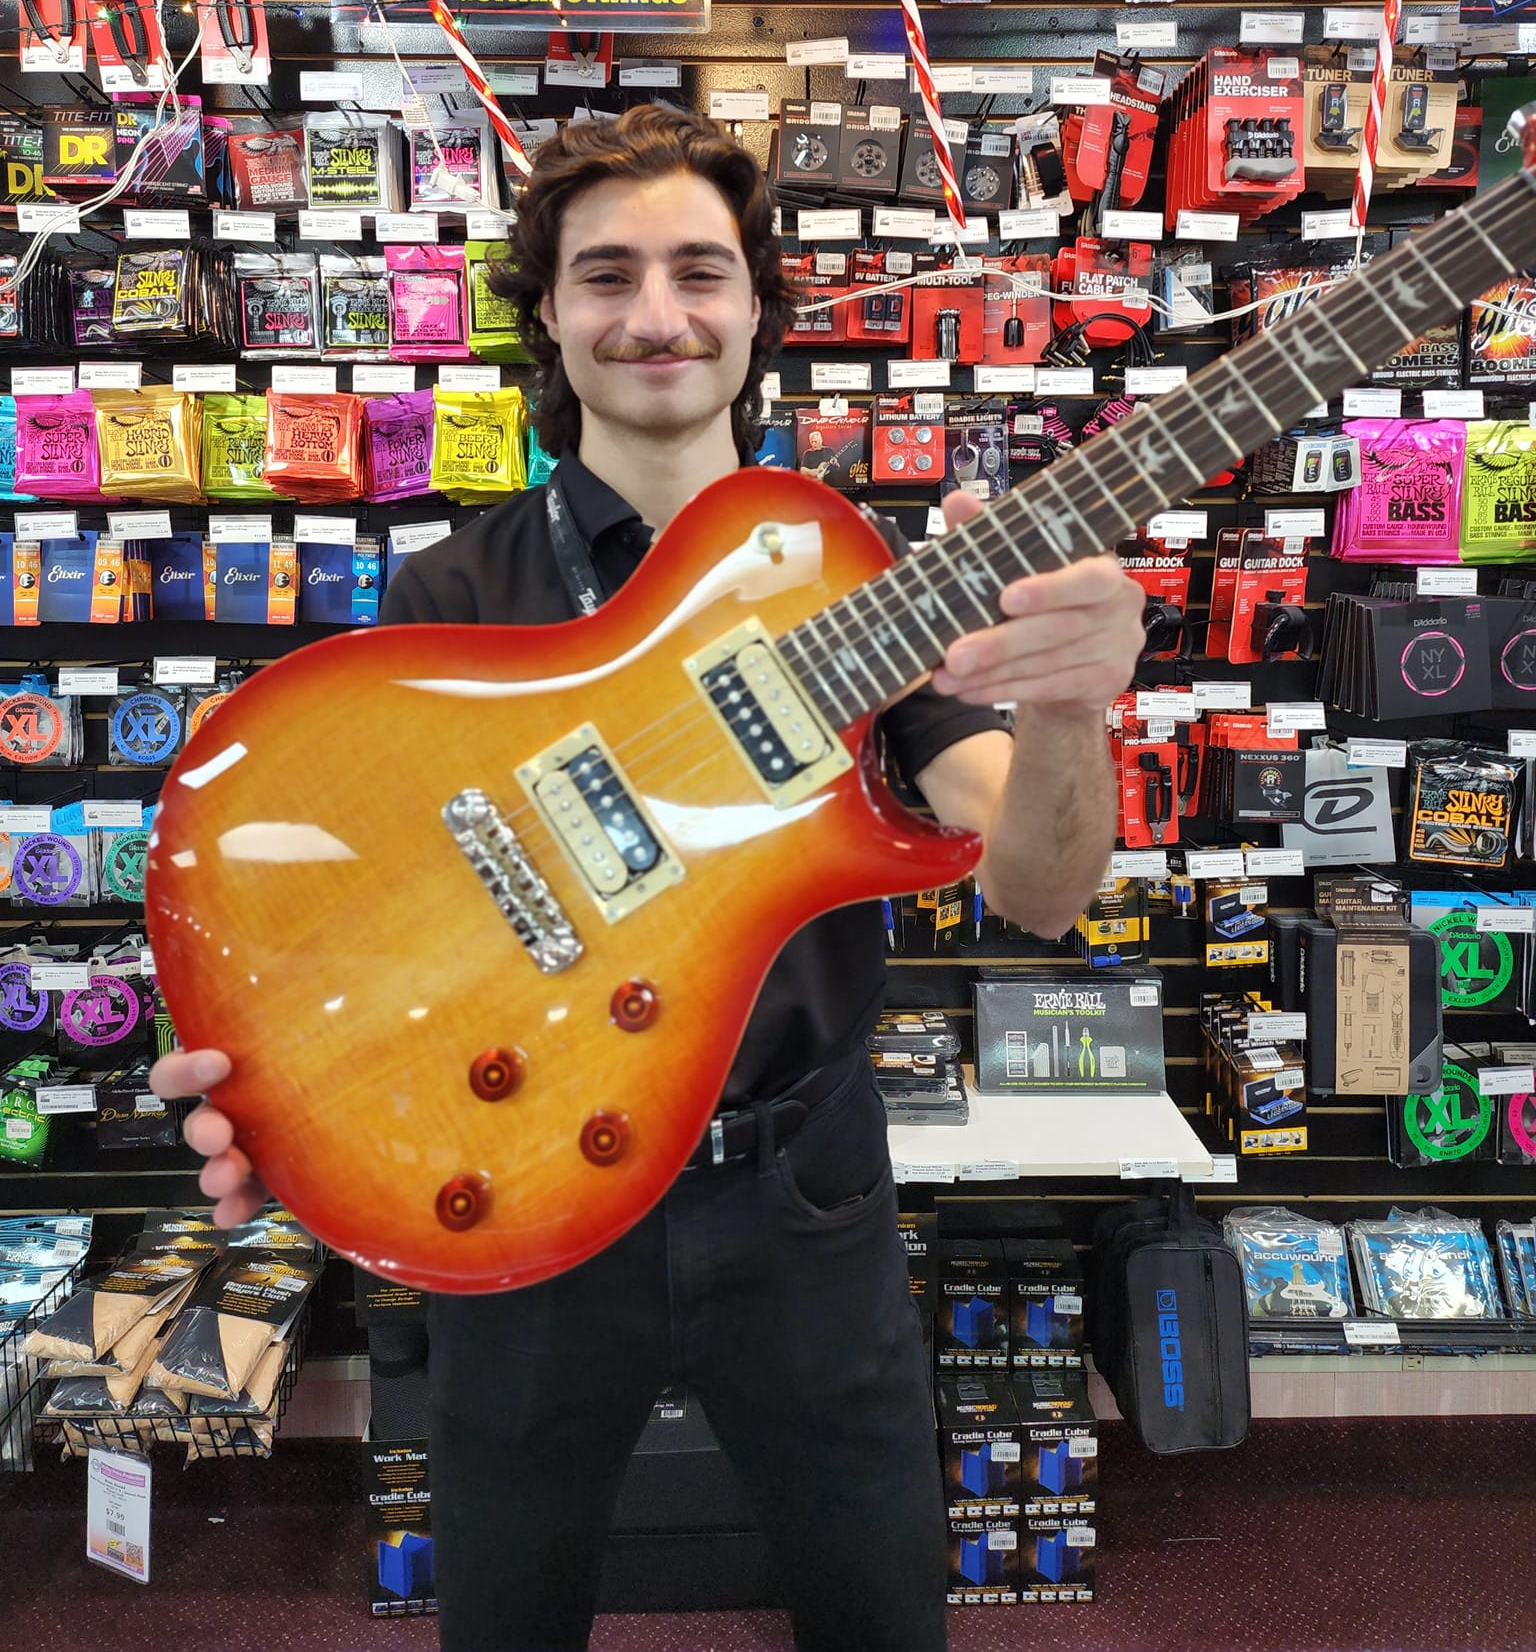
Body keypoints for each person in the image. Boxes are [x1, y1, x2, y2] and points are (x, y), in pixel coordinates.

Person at [150, 105, 1146, 1652]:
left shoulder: (860, 581)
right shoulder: (451, 592)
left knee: (884, 1611)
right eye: (607, 276)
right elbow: (330, 885)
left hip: (802, 1198)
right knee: (505, 1616)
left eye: (699, 270)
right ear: (549, 316)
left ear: (756, 304)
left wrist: (1072, 710)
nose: (657, 314)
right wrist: (286, 1071)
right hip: (532, 1202)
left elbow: (1042, 886)